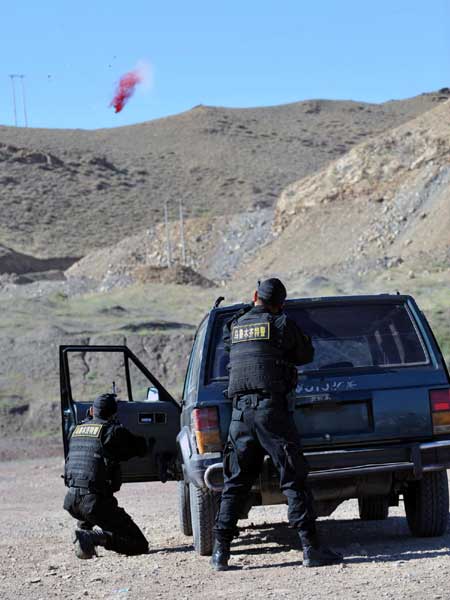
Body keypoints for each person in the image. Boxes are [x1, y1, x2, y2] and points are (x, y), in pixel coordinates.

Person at [211, 278, 343, 570]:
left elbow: (230, 342)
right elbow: (306, 355)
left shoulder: (234, 326)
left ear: (255, 295)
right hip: (271, 412)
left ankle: (220, 553)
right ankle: (311, 549)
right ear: (281, 303)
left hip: (239, 416)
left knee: (235, 483)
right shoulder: (281, 324)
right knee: (293, 478)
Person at [63, 392, 149, 559]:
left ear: (91, 411)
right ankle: (92, 537)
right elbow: (141, 448)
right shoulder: (112, 432)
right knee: (139, 544)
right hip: (94, 503)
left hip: (72, 500)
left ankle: (83, 530)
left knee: (90, 506)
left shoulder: (75, 429)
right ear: (113, 413)